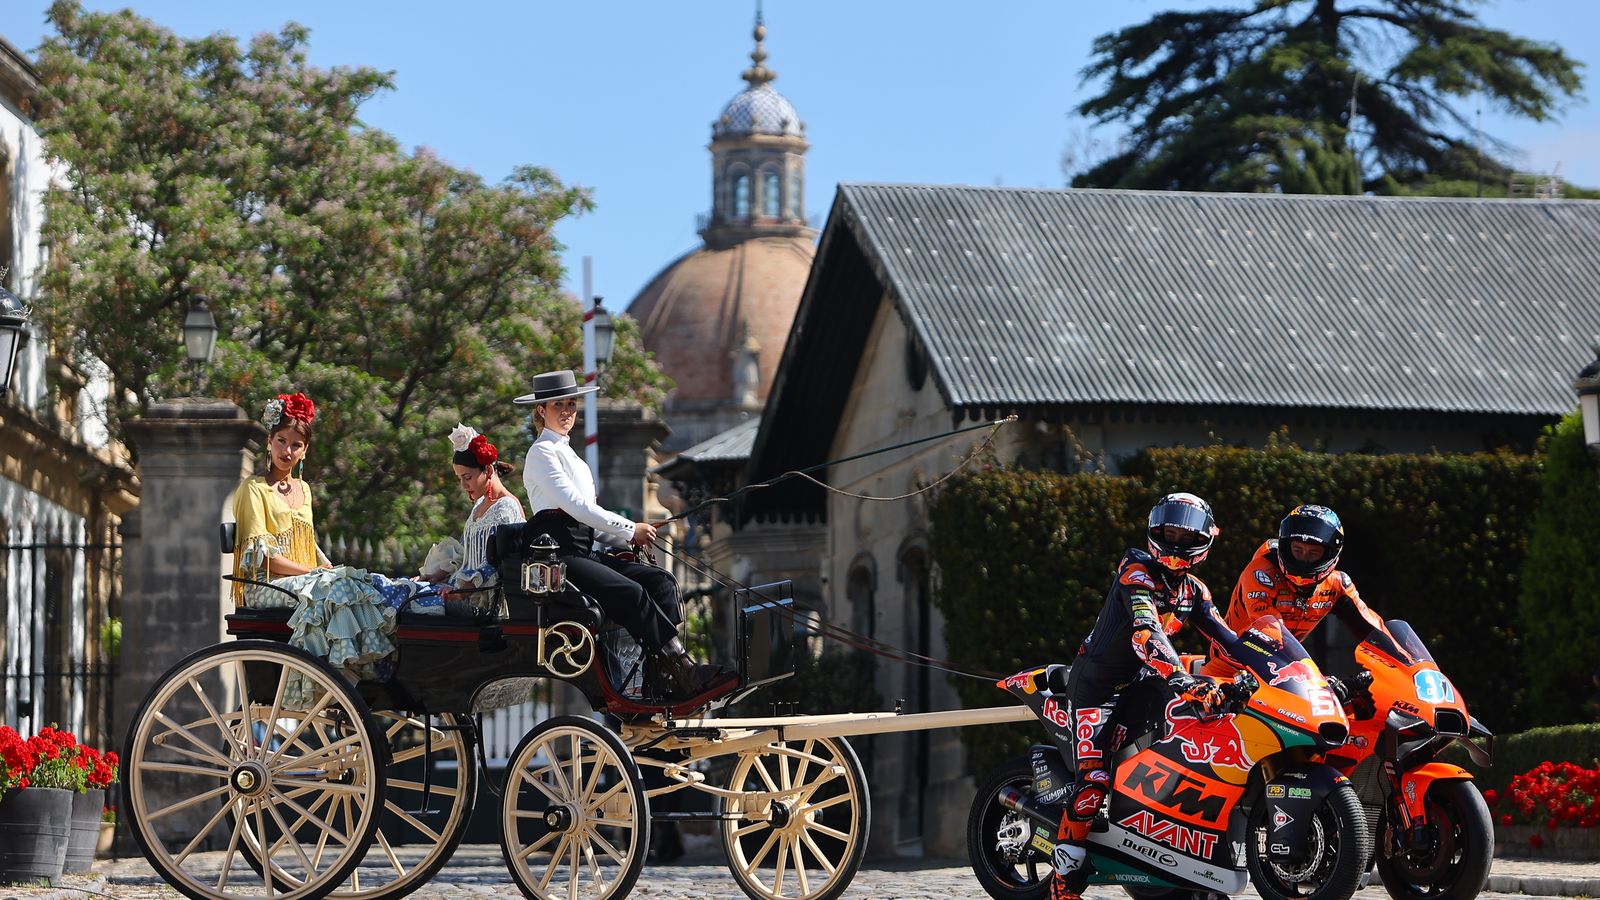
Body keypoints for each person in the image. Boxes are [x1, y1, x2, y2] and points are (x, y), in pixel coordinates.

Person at [1049, 492, 1239, 900]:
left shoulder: (1196, 592)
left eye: (1184, 533)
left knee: (1196, 736)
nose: (1174, 540)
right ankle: (1064, 882)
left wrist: (1275, 671)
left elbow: (1229, 642)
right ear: (1154, 530)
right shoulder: (1135, 572)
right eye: (1168, 530)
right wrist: (1184, 680)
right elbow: (1145, 632)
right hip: (1097, 686)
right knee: (1094, 782)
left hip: (1143, 681)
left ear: (1204, 540)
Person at [515, 370, 731, 700]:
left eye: (571, 404)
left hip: (584, 551)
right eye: (559, 404)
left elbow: (588, 526)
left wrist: (627, 539)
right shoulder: (541, 453)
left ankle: (660, 677)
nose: (567, 411)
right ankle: (684, 670)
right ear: (541, 410)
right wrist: (631, 527)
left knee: (661, 583)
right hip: (560, 559)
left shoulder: (574, 458)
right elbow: (576, 508)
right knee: (631, 593)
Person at [232, 393, 396, 693]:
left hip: (299, 581)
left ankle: (356, 663)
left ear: (304, 451)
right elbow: (262, 559)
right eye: (281, 440)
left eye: (296, 445)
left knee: (355, 584)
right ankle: (334, 671)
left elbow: (309, 544)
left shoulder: (304, 490)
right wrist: (313, 573)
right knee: (333, 586)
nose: (287, 450)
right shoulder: (252, 489)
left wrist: (326, 568)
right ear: (270, 441)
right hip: (264, 586)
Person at [1199, 504, 1390, 682]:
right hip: (1228, 675)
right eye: (1297, 550)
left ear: (1331, 554)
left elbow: (1374, 629)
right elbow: (1270, 633)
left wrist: (1410, 665)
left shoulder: (1337, 583)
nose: (1303, 560)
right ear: (1285, 546)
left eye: (1313, 553)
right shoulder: (1261, 573)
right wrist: (1316, 679)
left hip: (1284, 678)